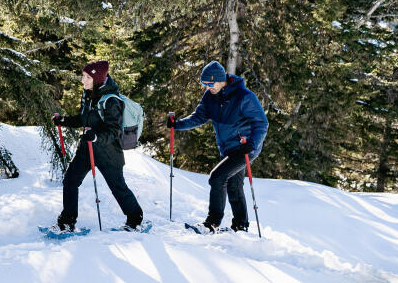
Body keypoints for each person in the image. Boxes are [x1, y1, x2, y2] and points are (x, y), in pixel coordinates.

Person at [170, 60, 269, 232]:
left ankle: (212, 223)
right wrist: (177, 124)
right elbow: (198, 117)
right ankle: (240, 226)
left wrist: (252, 143)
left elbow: (261, 123)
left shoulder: (244, 96)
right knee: (233, 185)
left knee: (217, 177)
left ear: (221, 80)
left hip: (245, 147)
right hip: (228, 148)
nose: (208, 87)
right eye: (204, 83)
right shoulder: (210, 97)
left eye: (210, 83)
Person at [53, 60, 146, 232]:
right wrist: (64, 121)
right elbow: (83, 118)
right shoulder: (88, 94)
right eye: (83, 76)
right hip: (86, 149)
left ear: (96, 79)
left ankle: (136, 219)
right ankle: (67, 222)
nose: (83, 80)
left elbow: (114, 131)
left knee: (118, 187)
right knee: (70, 181)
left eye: (87, 77)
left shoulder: (111, 101)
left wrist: (96, 136)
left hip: (108, 153)